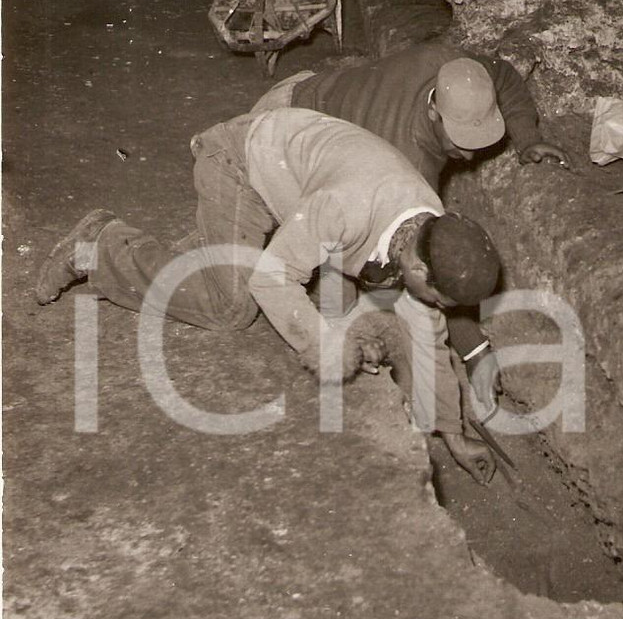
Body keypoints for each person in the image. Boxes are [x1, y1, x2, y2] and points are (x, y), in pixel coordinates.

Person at [35, 106, 502, 482]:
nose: (439, 308)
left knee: (229, 267)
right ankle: (98, 246)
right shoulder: (346, 207)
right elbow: (272, 279)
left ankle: (198, 249)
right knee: (231, 304)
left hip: (294, 175)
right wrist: (326, 344)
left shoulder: (429, 225)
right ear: (419, 267)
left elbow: (427, 335)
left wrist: (451, 432)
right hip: (239, 164)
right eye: (441, 298)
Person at [256, 40, 570, 408]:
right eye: (460, 142)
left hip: (319, 93)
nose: (470, 155)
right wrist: (474, 350)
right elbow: (432, 274)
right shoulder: (410, 157)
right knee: (340, 303)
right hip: (286, 132)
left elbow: (501, 73)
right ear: (434, 112)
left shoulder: (460, 73)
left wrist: (528, 139)